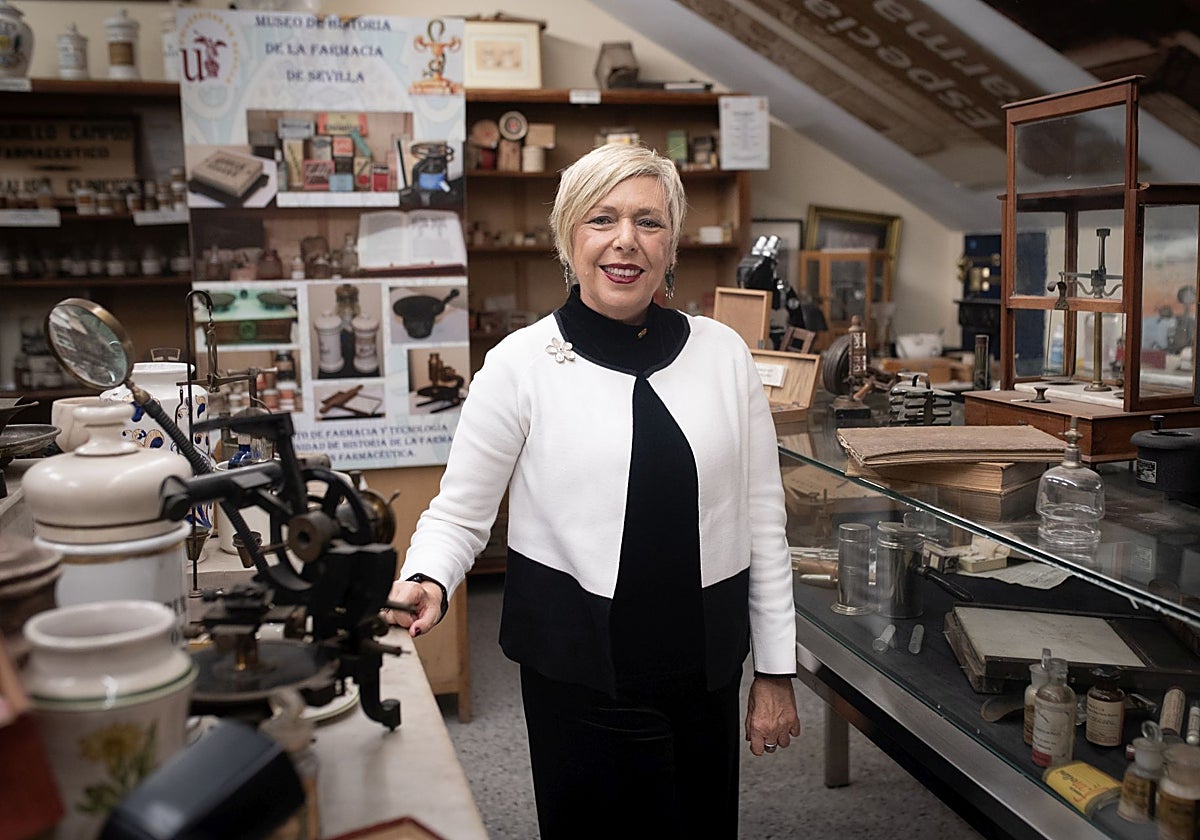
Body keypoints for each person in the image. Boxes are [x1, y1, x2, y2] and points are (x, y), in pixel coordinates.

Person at [385, 142, 800, 837]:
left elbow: (763, 520)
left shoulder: (723, 353)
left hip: (703, 671)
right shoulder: (519, 364)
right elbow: (459, 514)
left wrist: (777, 671)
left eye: (648, 221)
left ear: (671, 245)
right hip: (576, 673)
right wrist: (427, 577)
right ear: (567, 238)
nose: (625, 241)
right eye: (602, 219)